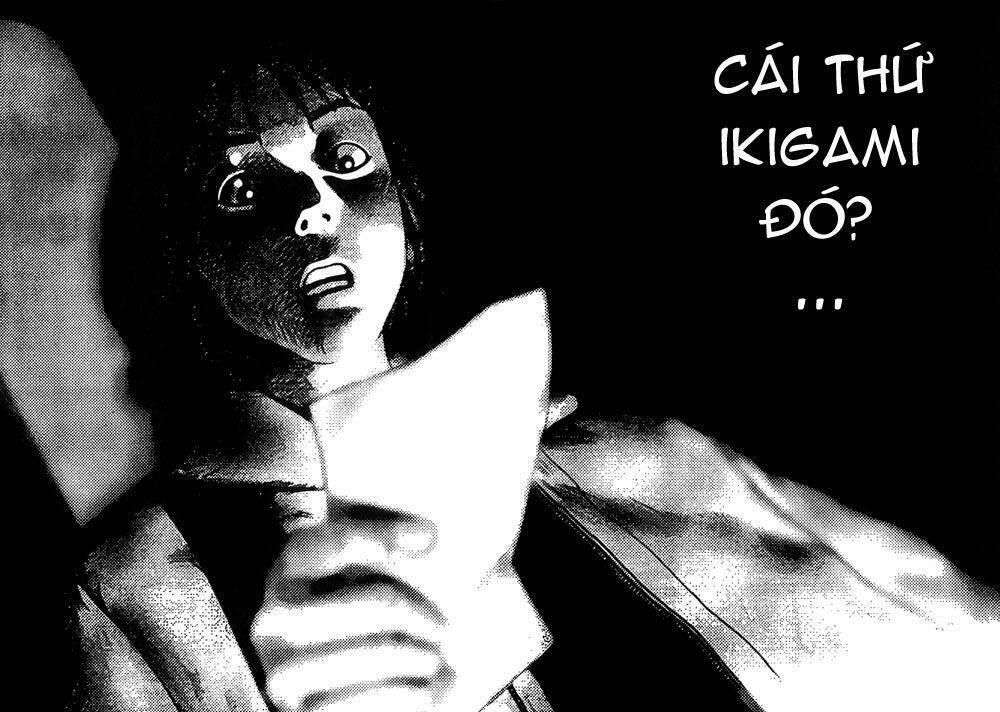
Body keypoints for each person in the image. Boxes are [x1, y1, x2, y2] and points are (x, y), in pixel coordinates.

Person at [2, 23, 998, 712]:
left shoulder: (616, 453)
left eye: (345, 162)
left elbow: (949, 645)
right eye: (240, 189)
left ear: (405, 205)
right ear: (181, 255)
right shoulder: (140, 578)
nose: (315, 207)